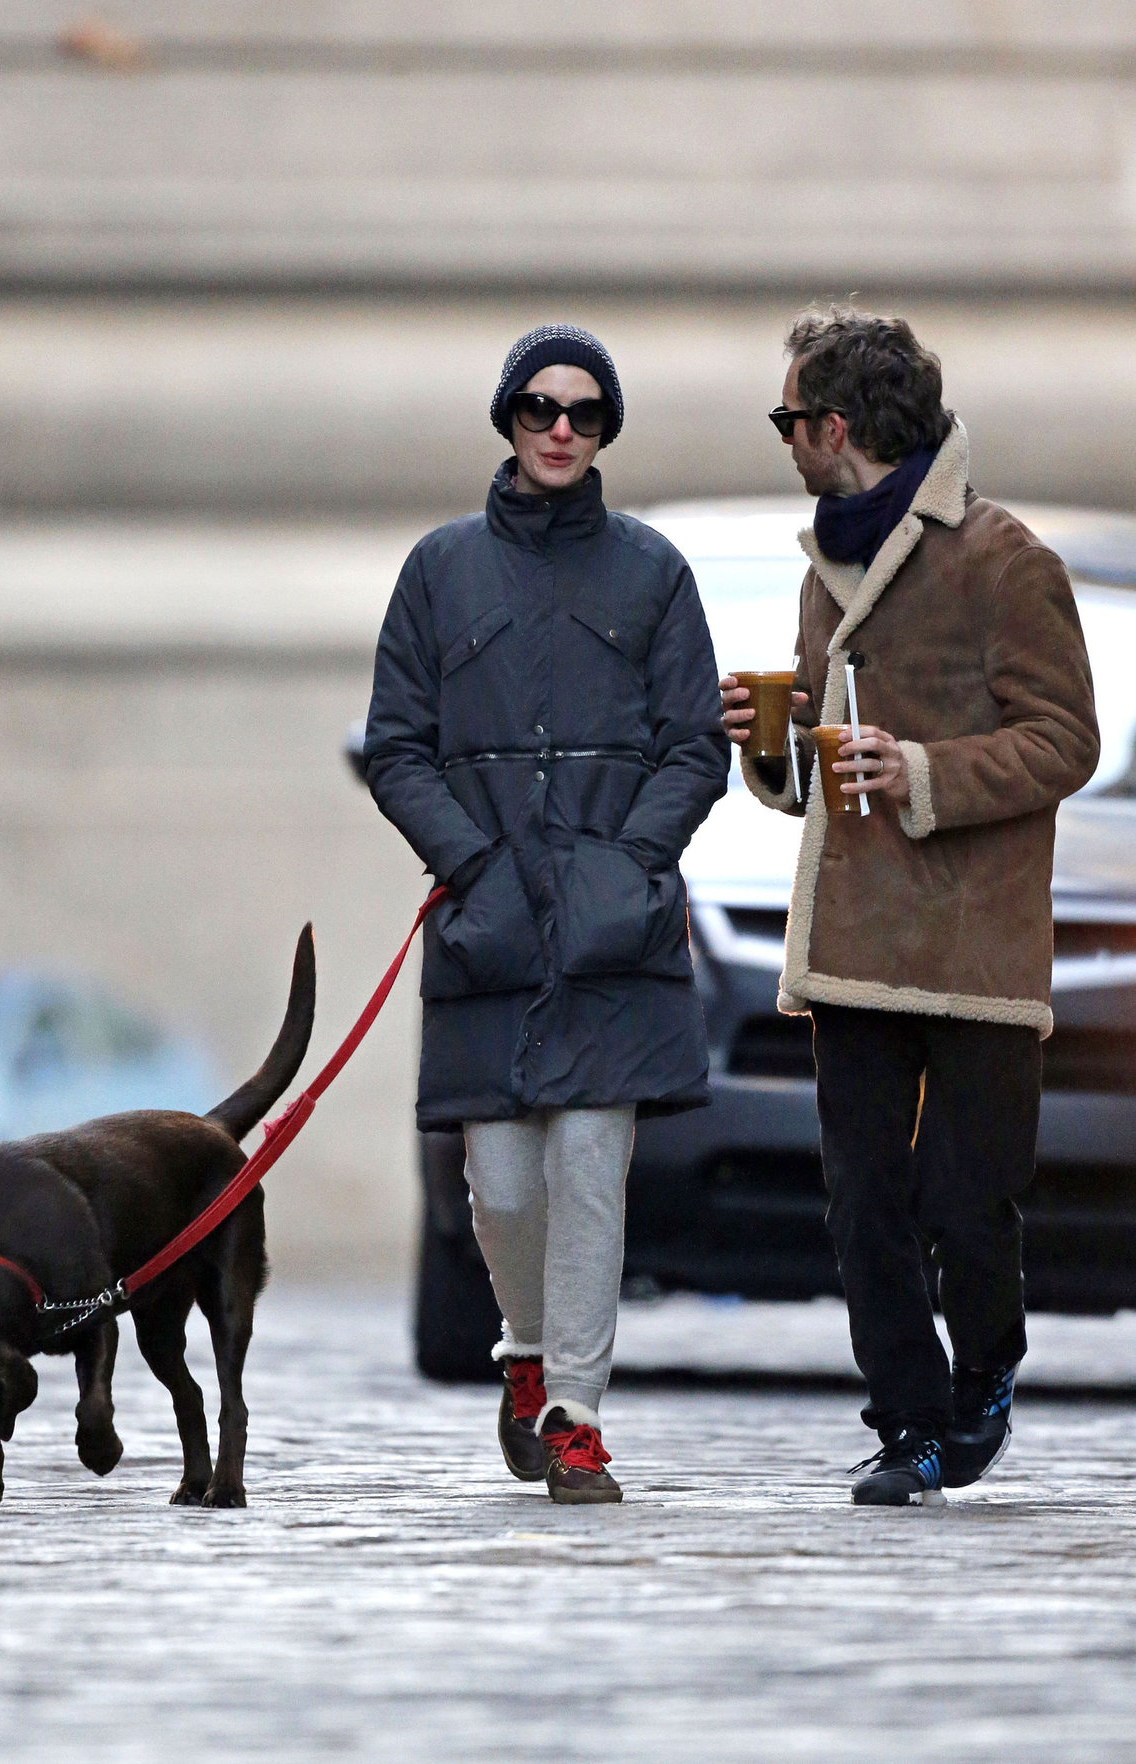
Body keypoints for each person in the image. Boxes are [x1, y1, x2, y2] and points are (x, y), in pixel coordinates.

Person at [721, 308, 1100, 1505]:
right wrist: (766, 753)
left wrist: (925, 771)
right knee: (863, 1201)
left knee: (968, 1202)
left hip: (978, 946)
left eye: (789, 418)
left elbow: (1066, 739)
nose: (782, 440)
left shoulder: (1007, 560)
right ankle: (910, 1426)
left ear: (834, 426)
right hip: (853, 940)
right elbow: (812, 780)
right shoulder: (820, 568)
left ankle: (986, 1370)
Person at [365, 324, 729, 1502]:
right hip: (491, 921)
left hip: (613, 926)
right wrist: (471, 863)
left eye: (584, 411)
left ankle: (575, 1412)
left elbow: (695, 748)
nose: (561, 428)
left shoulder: (655, 572)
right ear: (508, 419)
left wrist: (630, 861)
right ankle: (526, 1353)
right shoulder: (438, 570)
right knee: (503, 1186)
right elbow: (398, 749)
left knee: (587, 1169)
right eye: (539, 407)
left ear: (606, 428)